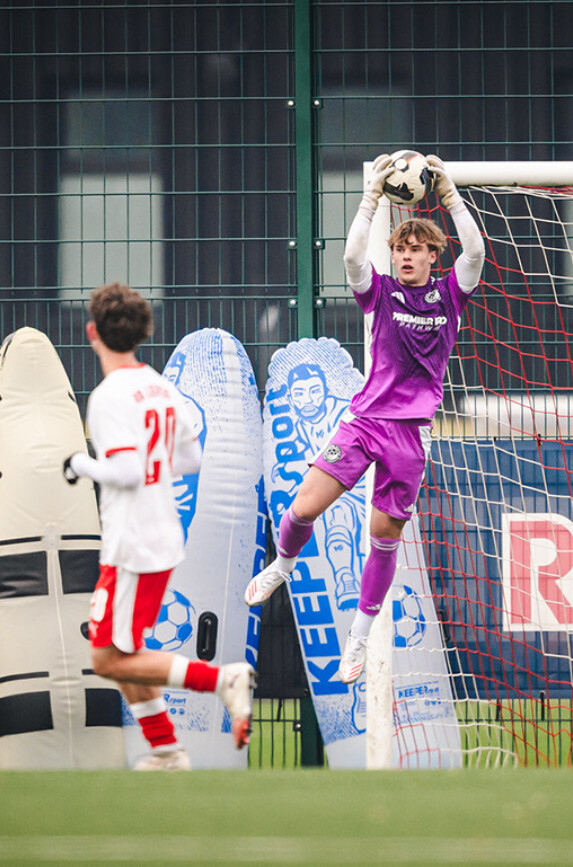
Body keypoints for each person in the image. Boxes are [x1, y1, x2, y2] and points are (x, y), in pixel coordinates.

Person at [244, 152, 485, 683]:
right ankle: (280, 567)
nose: (405, 255)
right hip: (365, 422)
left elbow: (476, 251)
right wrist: (371, 196)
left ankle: (357, 639)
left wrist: (448, 195)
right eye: (400, 248)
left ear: (431, 258)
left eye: (416, 249)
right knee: (303, 507)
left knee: (384, 536)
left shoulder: (450, 294)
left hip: (410, 435)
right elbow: (354, 258)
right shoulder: (381, 293)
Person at [63, 281, 256, 769]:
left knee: (106, 659)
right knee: (126, 652)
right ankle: (167, 751)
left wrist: (78, 465)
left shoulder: (109, 396)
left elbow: (125, 472)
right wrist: (152, 465)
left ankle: (223, 680)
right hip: (161, 536)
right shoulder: (158, 385)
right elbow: (191, 457)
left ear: (92, 332)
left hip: (133, 543)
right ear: (143, 332)